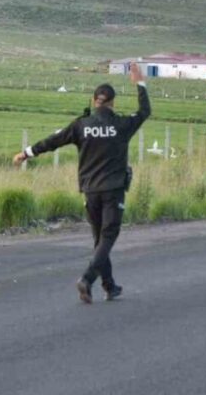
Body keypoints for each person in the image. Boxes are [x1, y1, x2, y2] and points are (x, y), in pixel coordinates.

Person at [13, 62, 151, 304]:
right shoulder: (121, 125)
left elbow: (53, 141)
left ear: (94, 100)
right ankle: (87, 279)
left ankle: (109, 286)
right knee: (108, 237)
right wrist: (140, 83)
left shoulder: (81, 125)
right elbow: (144, 112)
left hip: (90, 191)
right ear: (112, 102)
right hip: (113, 190)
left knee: (99, 239)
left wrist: (26, 153)